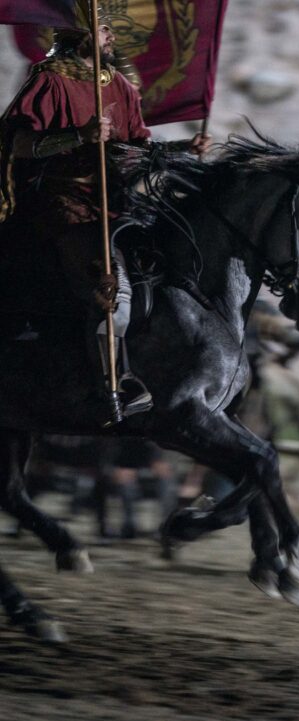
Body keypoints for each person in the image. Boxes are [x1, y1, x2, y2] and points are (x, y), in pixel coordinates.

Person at [0, 6, 211, 425]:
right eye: (103, 31)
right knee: (111, 288)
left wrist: (181, 149)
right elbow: (17, 143)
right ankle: (112, 386)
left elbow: (134, 149)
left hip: (115, 202)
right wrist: (78, 136)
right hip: (64, 202)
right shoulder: (49, 80)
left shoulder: (119, 86)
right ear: (81, 36)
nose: (112, 38)